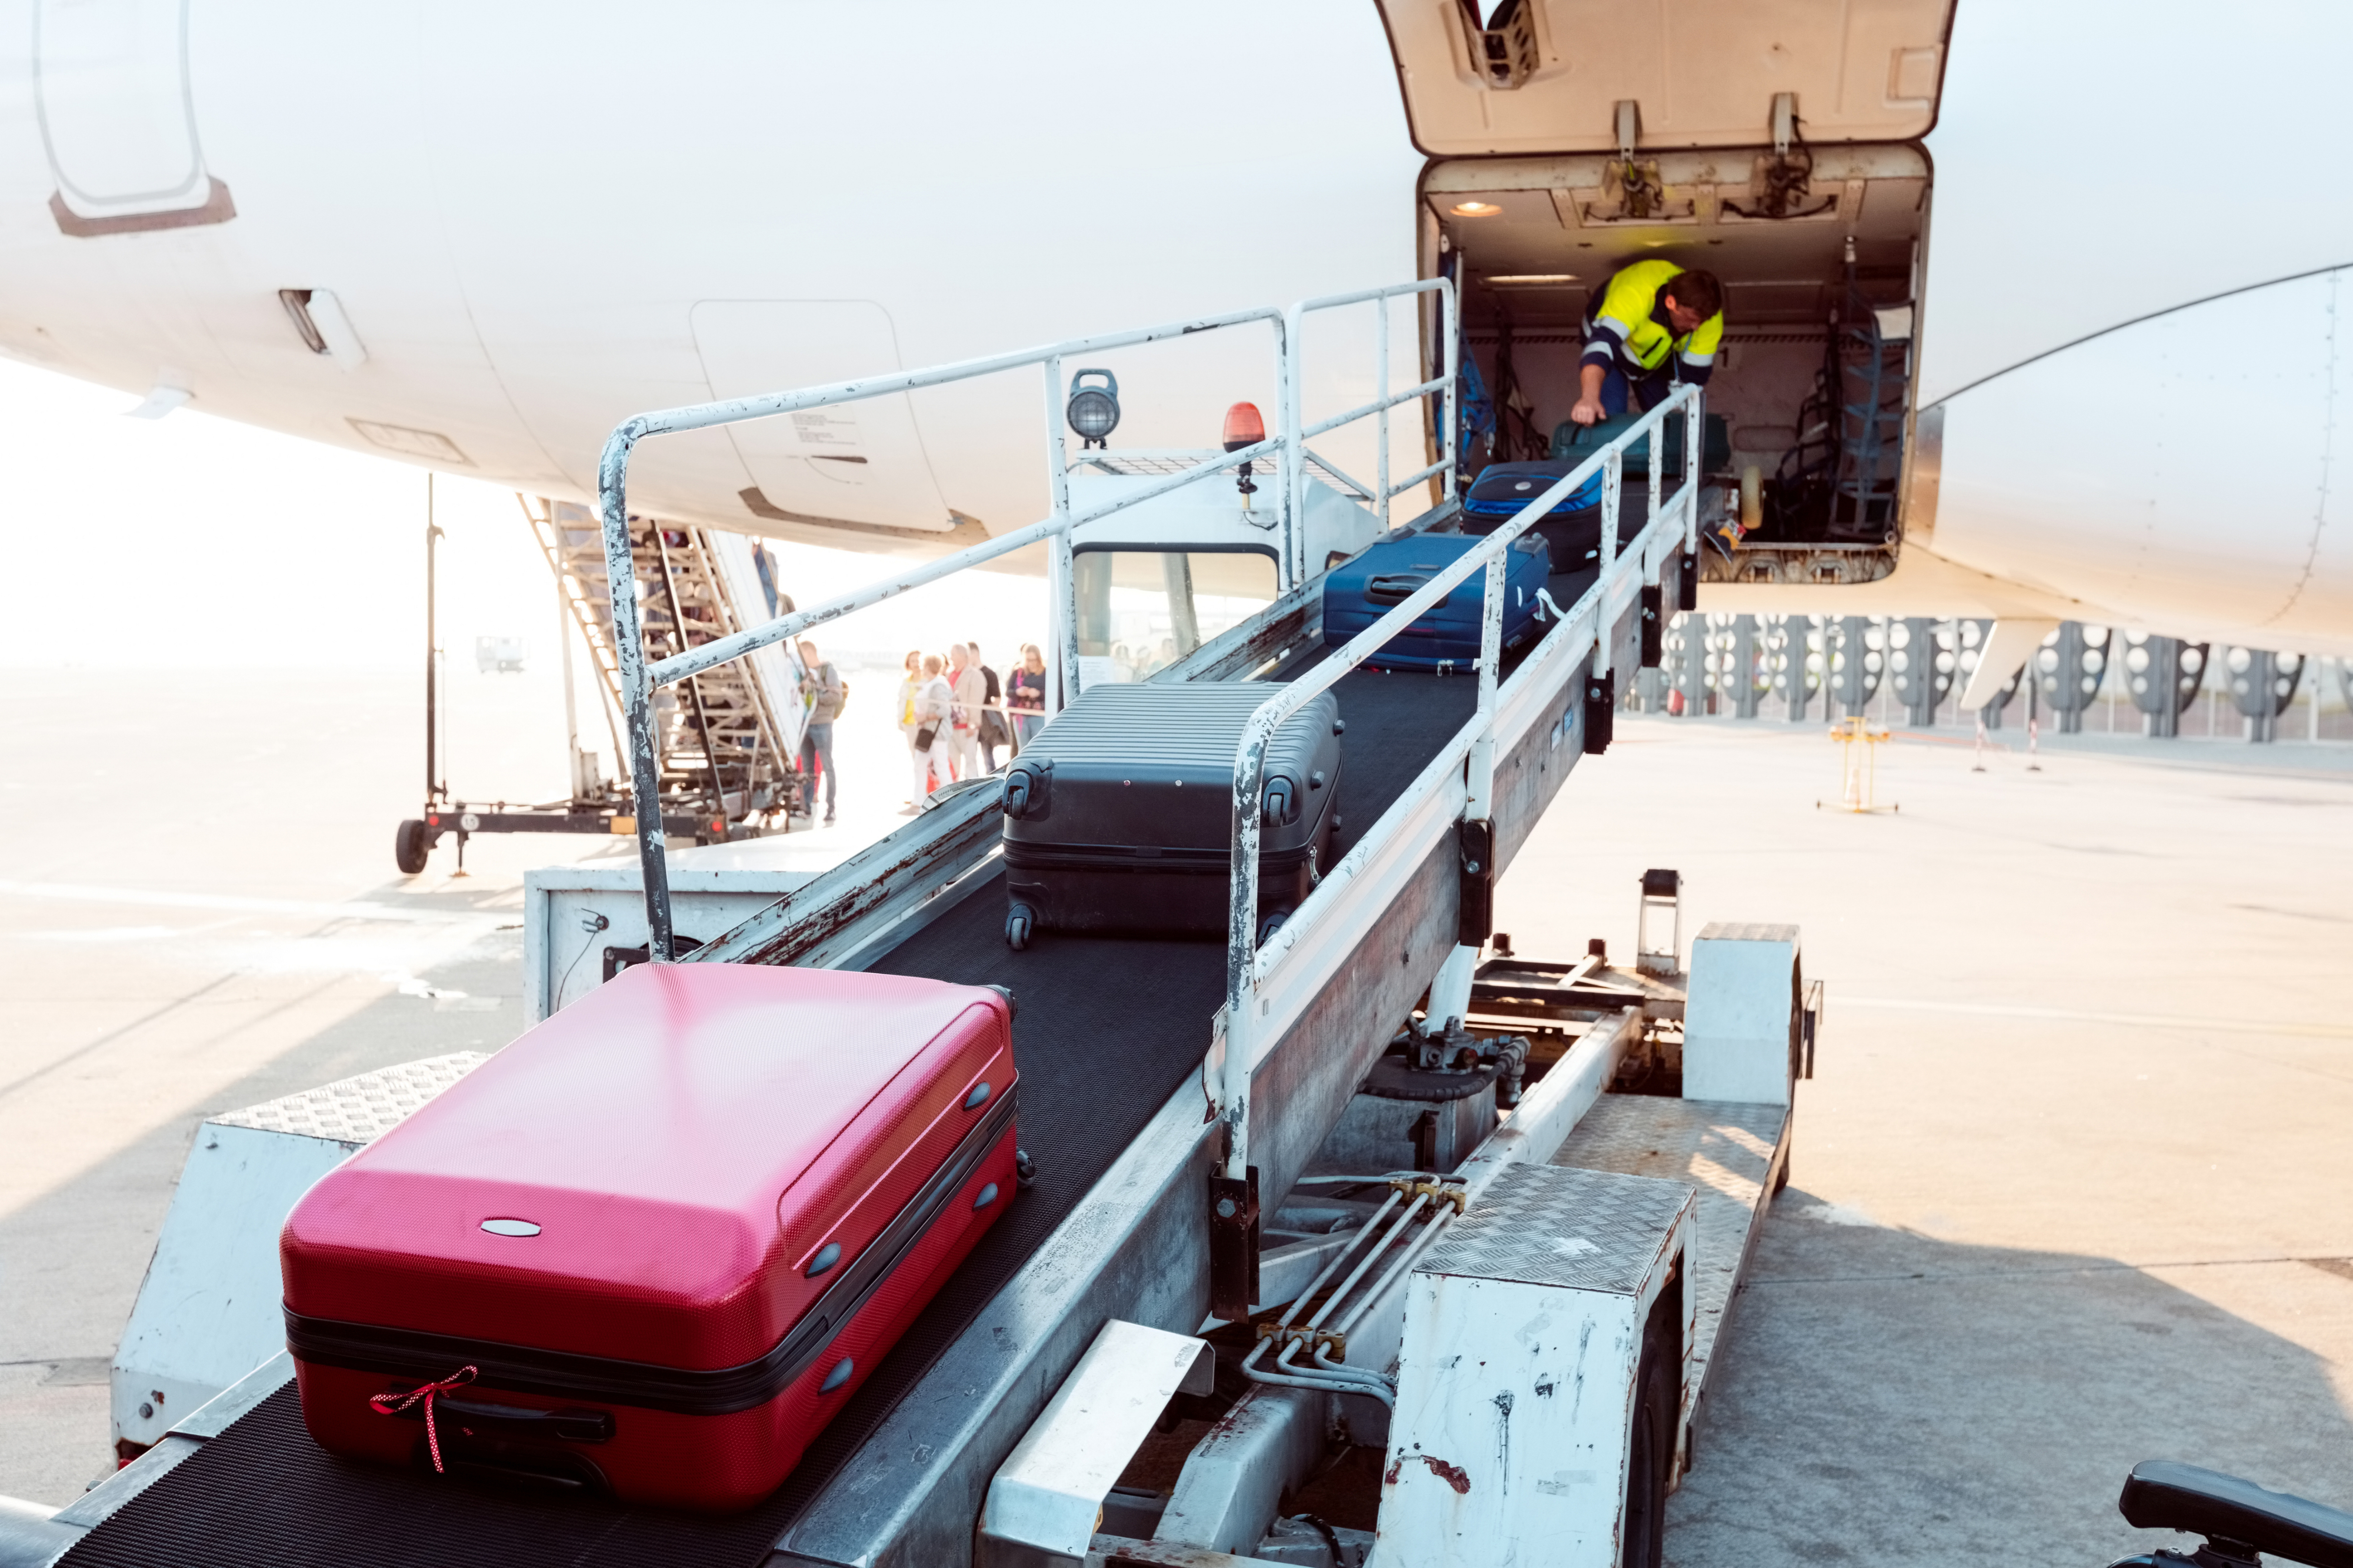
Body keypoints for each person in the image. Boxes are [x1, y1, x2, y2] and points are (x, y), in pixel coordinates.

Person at [1567, 261, 1735, 558]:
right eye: (1691, 319)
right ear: (1671, 303)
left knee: (1669, 427)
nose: (1696, 327)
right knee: (1611, 421)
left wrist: (1683, 410)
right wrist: (1589, 398)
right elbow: (1601, 348)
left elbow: (1692, 384)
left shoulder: (1708, 319)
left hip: (1653, 358)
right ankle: (1601, 517)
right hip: (1613, 348)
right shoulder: (1635, 294)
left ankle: (1663, 501)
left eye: (1701, 321)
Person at [795, 639, 842, 823]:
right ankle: (806, 808)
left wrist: (815, 693)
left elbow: (835, 695)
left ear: (808, 653)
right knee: (807, 769)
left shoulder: (827, 670)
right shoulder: (804, 674)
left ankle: (830, 809)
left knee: (827, 767)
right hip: (806, 724)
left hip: (823, 724)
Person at [903, 653, 952, 813]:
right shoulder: (932, 684)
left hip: (937, 733)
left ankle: (949, 798)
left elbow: (945, 709)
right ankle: (919, 799)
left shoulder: (938, 686)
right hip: (928, 732)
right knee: (920, 764)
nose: (921, 668)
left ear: (929, 667)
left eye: (924, 666)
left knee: (941, 765)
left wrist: (926, 717)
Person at [945, 643, 986, 782]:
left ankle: (973, 793)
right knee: (952, 763)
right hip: (950, 727)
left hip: (967, 727)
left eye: (953, 654)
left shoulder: (975, 675)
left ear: (962, 656)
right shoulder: (949, 674)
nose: (950, 657)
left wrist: (973, 724)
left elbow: (976, 702)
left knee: (970, 763)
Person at [970, 640, 1011, 772]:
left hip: (984, 721)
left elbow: (997, 700)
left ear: (974, 653)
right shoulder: (967, 674)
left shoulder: (989, 674)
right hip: (969, 719)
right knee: (971, 758)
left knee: (987, 756)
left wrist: (984, 713)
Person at [1006, 643, 1048, 748]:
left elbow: (1053, 693)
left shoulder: (1046, 672)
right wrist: (1018, 692)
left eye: (1034, 660)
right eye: (1028, 660)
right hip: (1021, 716)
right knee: (1023, 749)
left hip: (1039, 716)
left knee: (1038, 748)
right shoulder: (1018, 672)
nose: (1031, 663)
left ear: (1038, 658)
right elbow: (1008, 692)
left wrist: (1039, 693)